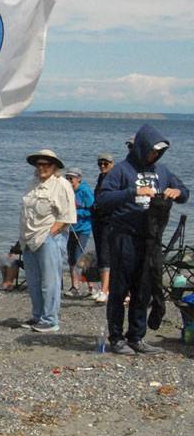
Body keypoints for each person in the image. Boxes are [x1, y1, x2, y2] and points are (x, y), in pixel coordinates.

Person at [97, 125, 188, 355]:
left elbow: (184, 191)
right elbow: (103, 199)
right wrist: (133, 192)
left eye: (158, 152)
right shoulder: (121, 171)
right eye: (151, 151)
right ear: (141, 147)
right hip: (123, 237)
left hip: (150, 239)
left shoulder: (162, 171)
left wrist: (176, 193)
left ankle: (136, 336)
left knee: (143, 289)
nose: (154, 155)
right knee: (119, 289)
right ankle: (116, 338)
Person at [19, 149, 76, 333]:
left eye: (46, 164)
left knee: (50, 282)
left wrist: (50, 234)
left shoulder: (62, 185)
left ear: (54, 167)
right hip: (28, 239)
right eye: (39, 164)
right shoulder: (31, 183)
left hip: (49, 238)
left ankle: (50, 319)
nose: (42, 167)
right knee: (33, 281)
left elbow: (67, 217)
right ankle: (37, 316)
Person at [63, 167, 94, 297]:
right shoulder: (66, 191)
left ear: (78, 179)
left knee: (79, 257)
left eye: (72, 178)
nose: (69, 181)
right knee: (71, 258)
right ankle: (74, 286)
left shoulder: (85, 191)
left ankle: (91, 286)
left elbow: (92, 210)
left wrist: (76, 212)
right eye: (67, 178)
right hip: (69, 228)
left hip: (83, 228)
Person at [90, 153, 115, 303]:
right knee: (100, 253)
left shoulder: (114, 178)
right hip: (98, 219)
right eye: (100, 163)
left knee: (106, 254)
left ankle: (105, 290)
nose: (102, 165)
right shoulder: (101, 178)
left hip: (109, 221)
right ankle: (104, 287)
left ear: (112, 163)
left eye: (105, 163)